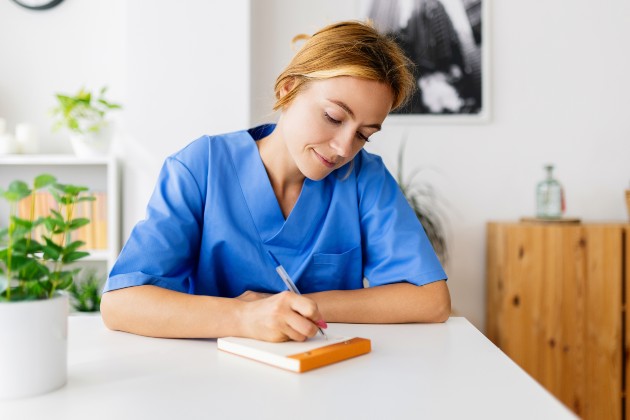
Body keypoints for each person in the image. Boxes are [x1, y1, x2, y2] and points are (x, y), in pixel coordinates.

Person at [101, 20, 451, 342]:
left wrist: (293, 308)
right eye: (333, 117)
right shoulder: (201, 167)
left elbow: (430, 300)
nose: (345, 148)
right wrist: (243, 317)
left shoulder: (363, 178)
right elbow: (121, 304)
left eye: (363, 134)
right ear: (288, 90)